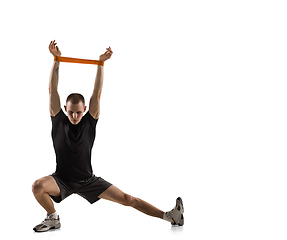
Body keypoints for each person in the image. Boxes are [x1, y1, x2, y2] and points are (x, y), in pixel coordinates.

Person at [32, 40, 184, 232]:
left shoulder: (89, 121)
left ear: (85, 109)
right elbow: (52, 90)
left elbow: (97, 93)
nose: (75, 116)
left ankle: (170, 216)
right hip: (61, 179)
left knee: (128, 199)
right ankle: (53, 217)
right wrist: (56, 60)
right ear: (65, 109)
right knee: (38, 186)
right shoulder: (58, 119)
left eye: (79, 112)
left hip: (88, 180)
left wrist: (101, 63)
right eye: (71, 112)